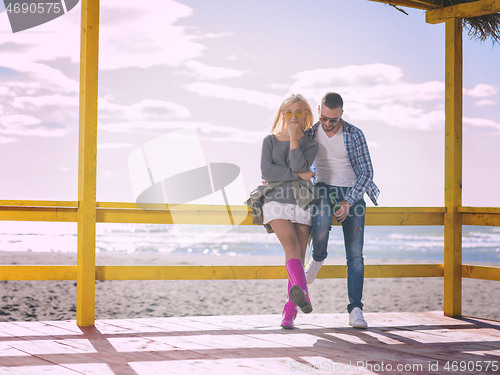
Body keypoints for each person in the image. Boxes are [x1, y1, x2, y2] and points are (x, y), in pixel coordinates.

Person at [304, 92, 379, 329]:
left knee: (355, 255)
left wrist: (348, 201)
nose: (327, 124)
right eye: (324, 118)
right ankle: (317, 260)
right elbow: (296, 164)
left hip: (352, 192)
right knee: (323, 216)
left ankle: (355, 309)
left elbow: (367, 173)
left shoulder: (355, 134)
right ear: (319, 110)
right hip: (324, 188)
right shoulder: (310, 134)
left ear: (342, 115)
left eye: (333, 120)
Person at [260, 93, 318, 329]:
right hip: (276, 199)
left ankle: (289, 311)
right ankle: (302, 293)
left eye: (299, 112)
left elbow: (300, 165)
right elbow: (267, 172)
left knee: (300, 253)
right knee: (291, 246)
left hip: (302, 201)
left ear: (306, 114)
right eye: (289, 112)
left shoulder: (311, 144)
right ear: (282, 114)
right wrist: (298, 177)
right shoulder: (269, 140)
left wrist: (295, 139)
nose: (293, 117)